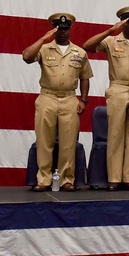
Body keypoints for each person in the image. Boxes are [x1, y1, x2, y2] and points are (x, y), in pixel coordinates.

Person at [83, 6, 129, 191]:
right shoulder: (111, 41)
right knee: (115, 135)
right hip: (117, 89)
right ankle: (114, 178)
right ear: (122, 24)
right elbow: (87, 46)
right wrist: (110, 30)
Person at [22, 13, 92, 192]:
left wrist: (83, 100)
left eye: (65, 28)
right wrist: (44, 38)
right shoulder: (44, 49)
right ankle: (44, 179)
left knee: (69, 142)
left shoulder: (79, 52)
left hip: (70, 98)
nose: (62, 32)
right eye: (59, 28)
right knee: (44, 141)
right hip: (47, 97)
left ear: (70, 29)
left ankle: (66, 179)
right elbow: (27, 57)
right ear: (54, 29)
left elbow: (85, 77)